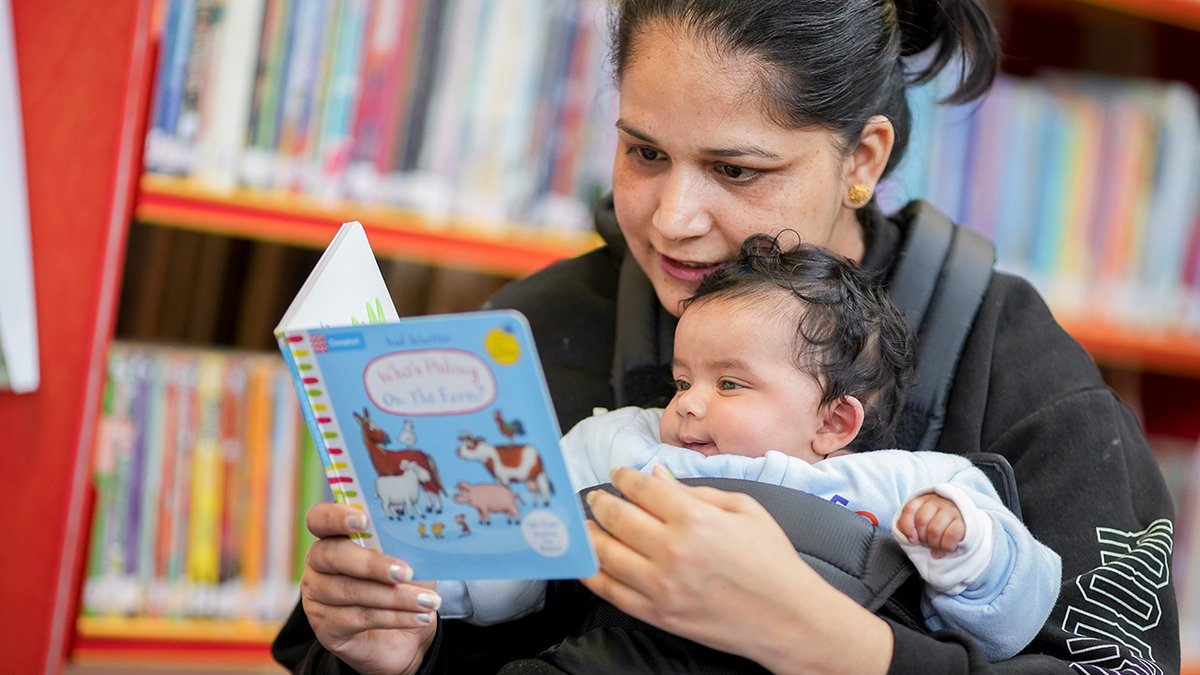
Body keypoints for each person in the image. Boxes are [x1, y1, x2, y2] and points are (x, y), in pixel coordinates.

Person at [274, 0, 1181, 673]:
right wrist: (382, 642)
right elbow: (403, 628)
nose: (672, 218)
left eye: (736, 169)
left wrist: (832, 643)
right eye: (644, 153)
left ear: (861, 160)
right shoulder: (529, 338)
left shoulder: (1014, 365)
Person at [438, 235, 1062, 664]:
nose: (687, 403)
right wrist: (428, 584)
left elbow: (1013, 619)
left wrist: (965, 542)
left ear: (835, 423)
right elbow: (518, 532)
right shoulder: (624, 443)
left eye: (729, 383)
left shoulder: (899, 484)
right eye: (683, 380)